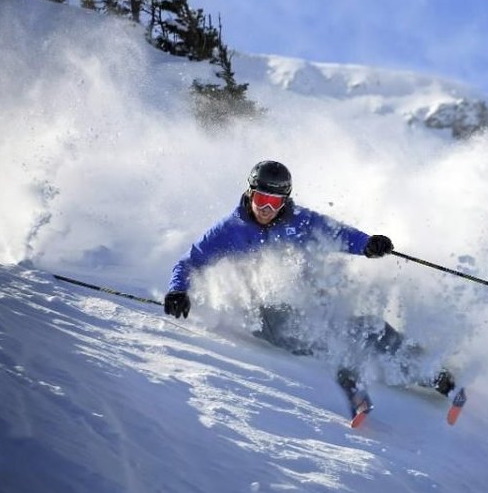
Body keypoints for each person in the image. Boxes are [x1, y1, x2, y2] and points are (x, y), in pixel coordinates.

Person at [164, 160, 455, 414]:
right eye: (262, 198)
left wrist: (368, 244)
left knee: (367, 327)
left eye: (275, 202)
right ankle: (345, 364)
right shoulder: (229, 230)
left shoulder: (299, 221)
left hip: (304, 299)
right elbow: (191, 261)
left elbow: (337, 234)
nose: (267, 208)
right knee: (292, 325)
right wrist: (178, 290)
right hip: (262, 311)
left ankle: (429, 371)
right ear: (251, 192)